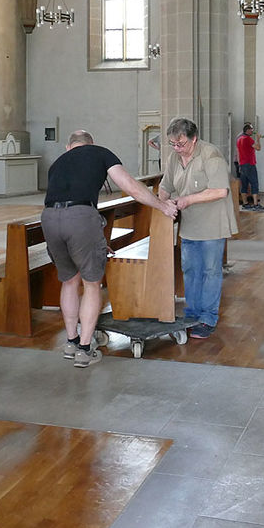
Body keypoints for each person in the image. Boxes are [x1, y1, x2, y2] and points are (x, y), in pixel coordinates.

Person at [41, 130, 178, 368]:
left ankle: (71, 341)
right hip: (81, 218)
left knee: (69, 280)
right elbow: (130, 186)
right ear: (91, 145)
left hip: (49, 218)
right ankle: (85, 349)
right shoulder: (100, 153)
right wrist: (161, 205)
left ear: (68, 147)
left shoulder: (58, 163)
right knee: (91, 283)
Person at [159, 118, 238, 339]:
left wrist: (187, 200)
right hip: (190, 225)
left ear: (194, 139)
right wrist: (160, 203)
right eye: (173, 144)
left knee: (210, 271)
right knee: (190, 270)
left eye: (181, 143)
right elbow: (165, 186)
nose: (177, 148)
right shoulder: (174, 157)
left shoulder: (210, 155)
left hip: (213, 223)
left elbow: (220, 191)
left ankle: (208, 318)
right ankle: (192, 314)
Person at [236, 122, 264, 211]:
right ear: (247, 130)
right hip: (250, 164)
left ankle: (245, 204)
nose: (252, 131)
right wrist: (258, 139)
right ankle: (256, 204)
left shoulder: (239, 139)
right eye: (251, 130)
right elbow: (258, 148)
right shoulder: (248, 139)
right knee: (254, 183)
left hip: (242, 164)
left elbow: (238, 152)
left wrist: (239, 163)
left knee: (244, 184)